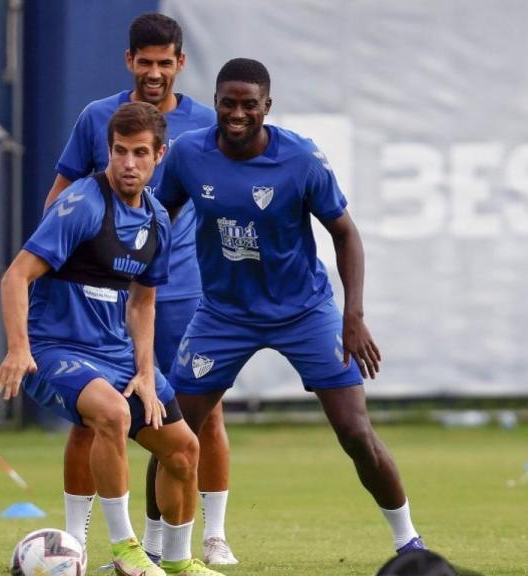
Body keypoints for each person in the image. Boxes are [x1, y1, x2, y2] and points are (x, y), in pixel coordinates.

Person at [156, 57, 426, 559]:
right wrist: (139, 268)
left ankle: (409, 542)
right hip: (222, 313)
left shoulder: (300, 158)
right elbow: (159, 213)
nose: (237, 114)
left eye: (249, 105)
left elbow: (345, 233)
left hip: (303, 311)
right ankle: (151, 553)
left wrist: (353, 316)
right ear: (215, 103)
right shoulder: (188, 154)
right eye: (228, 103)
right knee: (176, 431)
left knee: (354, 431)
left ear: (267, 107)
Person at [0, 102, 224, 576]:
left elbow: (142, 302)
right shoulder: (80, 204)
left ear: (160, 155)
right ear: (108, 151)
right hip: (56, 350)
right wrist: (19, 348)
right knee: (112, 414)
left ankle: (179, 562)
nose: (128, 163)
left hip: (116, 356)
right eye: (120, 151)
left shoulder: (159, 219)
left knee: (184, 449)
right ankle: (125, 551)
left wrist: (144, 370)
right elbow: (15, 277)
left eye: (140, 153)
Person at [44, 13, 237, 566]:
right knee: (93, 418)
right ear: (129, 61)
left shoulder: (205, 122)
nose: (155, 72)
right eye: (144, 62)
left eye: (164, 62)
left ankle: (211, 537)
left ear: (180, 63)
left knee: (198, 414)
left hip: (180, 292)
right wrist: (63, 268)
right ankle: (74, 541)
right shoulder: (97, 118)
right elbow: (58, 198)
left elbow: (225, 198)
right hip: (105, 297)